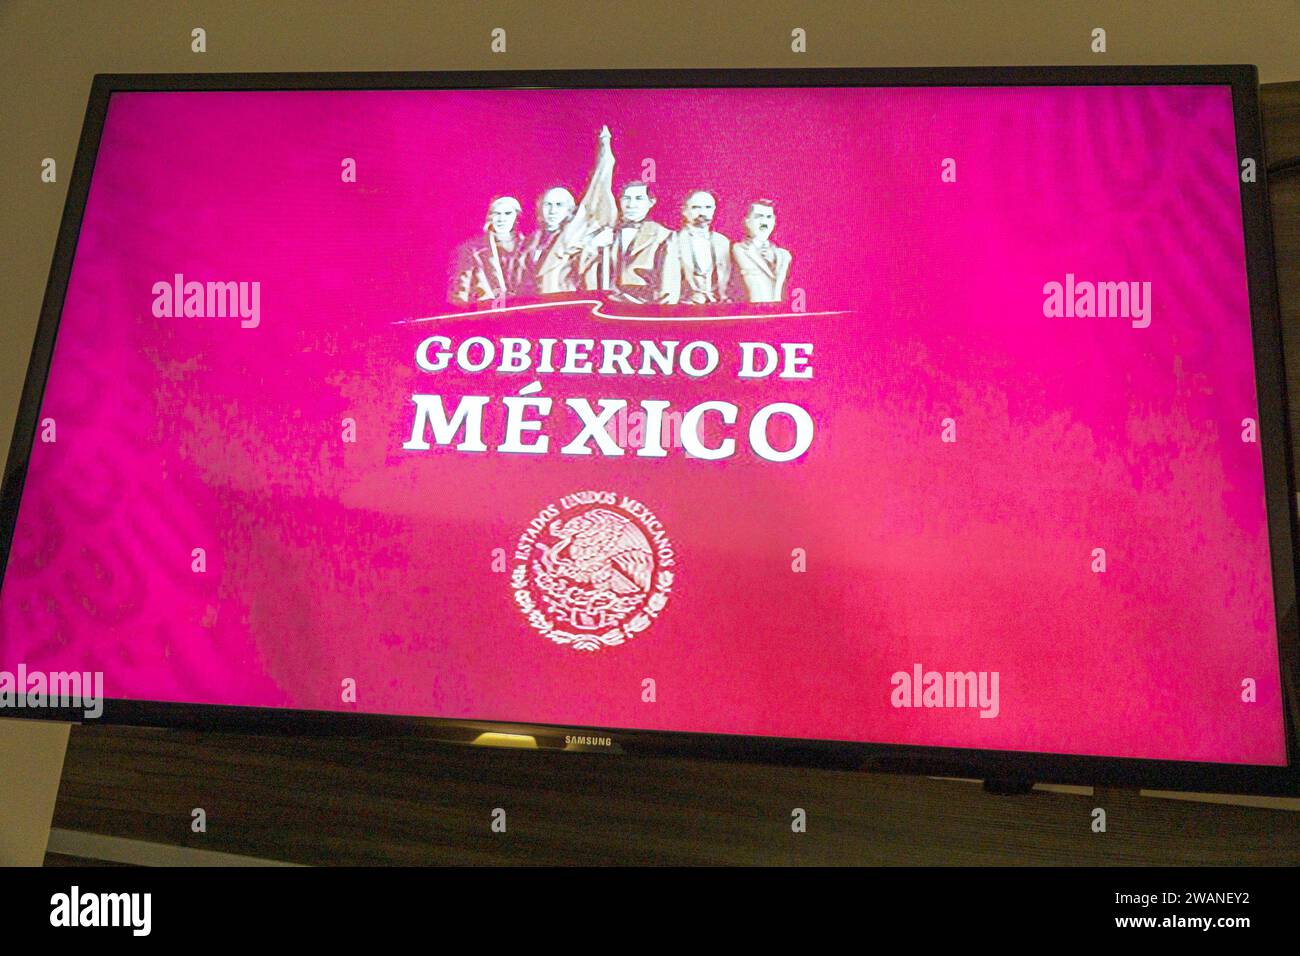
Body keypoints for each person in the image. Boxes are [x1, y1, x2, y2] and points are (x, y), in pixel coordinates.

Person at [518, 127, 618, 296]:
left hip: (564, 306)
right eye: (548, 205)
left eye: (559, 205)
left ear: (570, 211)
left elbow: (586, 264)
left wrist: (593, 244)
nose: (552, 210)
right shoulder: (528, 242)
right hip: (532, 307)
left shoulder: (575, 236)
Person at [586, 181, 681, 304]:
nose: (631, 205)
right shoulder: (606, 232)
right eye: (626, 199)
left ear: (651, 202)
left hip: (644, 307)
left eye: (639, 199)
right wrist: (592, 245)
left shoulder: (664, 235)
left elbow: (669, 286)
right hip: (606, 305)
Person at [447, 196, 525, 305]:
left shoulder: (530, 246)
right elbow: (459, 294)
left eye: (507, 213)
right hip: (487, 316)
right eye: (496, 213)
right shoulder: (471, 250)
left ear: (517, 216)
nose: (502, 219)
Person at [675, 190, 733, 304]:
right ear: (684, 210)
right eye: (696, 207)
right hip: (684, 306)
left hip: (719, 305)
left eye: (708, 207)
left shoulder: (723, 242)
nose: (703, 212)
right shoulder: (674, 241)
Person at [731, 199, 791, 303]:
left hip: (779, 313)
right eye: (758, 217)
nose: (764, 222)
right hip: (750, 313)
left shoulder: (784, 255)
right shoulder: (738, 250)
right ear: (747, 221)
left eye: (769, 217)